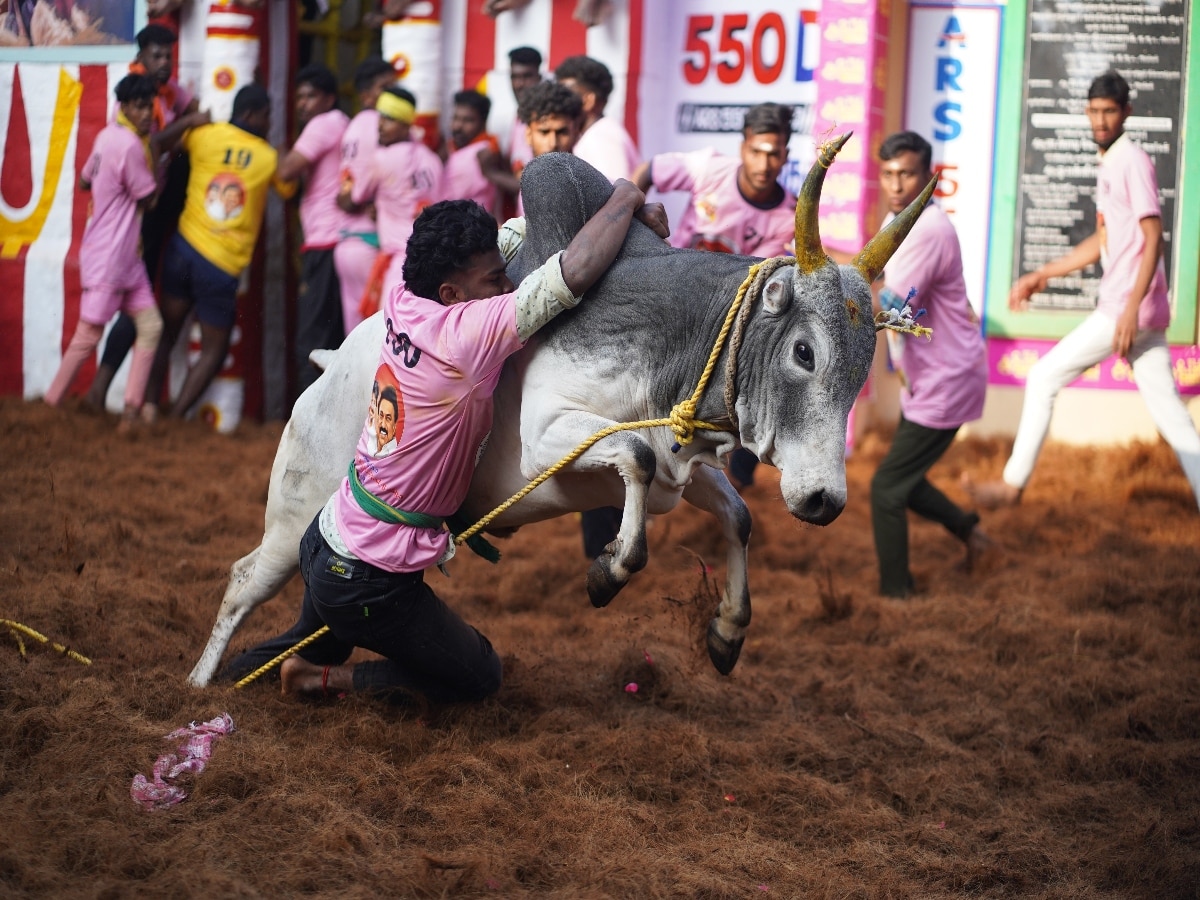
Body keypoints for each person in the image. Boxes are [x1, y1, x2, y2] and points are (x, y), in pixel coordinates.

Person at [220, 185, 669, 704]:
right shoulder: (466, 336)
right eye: (493, 279)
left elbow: (512, 237)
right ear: (453, 294)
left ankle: (246, 675)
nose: (506, 284)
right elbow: (578, 267)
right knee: (480, 677)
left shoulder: (405, 296)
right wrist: (626, 195)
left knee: (307, 639)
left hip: (330, 536)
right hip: (372, 576)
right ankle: (315, 679)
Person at [966, 71, 1200, 511]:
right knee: (1174, 420)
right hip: (1135, 313)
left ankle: (1012, 487)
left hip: (1125, 311)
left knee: (1042, 377)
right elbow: (1104, 241)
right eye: (1093, 110)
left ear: (1126, 112)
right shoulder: (1110, 161)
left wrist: (1131, 310)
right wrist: (1043, 275)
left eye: (1109, 110)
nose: (1100, 118)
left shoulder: (1131, 160)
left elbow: (1154, 237)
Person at [632, 102, 798, 491]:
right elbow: (649, 171)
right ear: (742, 148)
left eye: (774, 154)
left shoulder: (786, 216)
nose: (764, 162)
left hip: (726, 322)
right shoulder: (709, 168)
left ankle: (735, 480)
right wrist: (635, 217)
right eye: (757, 151)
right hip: (672, 298)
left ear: (786, 156)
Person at [867, 131, 992, 598]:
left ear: (929, 180)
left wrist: (835, 274)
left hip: (946, 379)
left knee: (885, 490)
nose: (897, 184)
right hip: (928, 377)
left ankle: (896, 597)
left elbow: (892, 311)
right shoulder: (900, 219)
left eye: (908, 175)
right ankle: (975, 537)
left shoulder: (927, 230)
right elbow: (877, 277)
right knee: (905, 477)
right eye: (889, 174)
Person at [143, 84, 296, 420]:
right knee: (215, 349)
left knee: (167, 332)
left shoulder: (205, 136)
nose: (269, 122)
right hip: (220, 266)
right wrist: (283, 149)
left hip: (184, 249)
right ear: (253, 115)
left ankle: (150, 406)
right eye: (267, 115)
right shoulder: (267, 157)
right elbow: (289, 187)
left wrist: (192, 121)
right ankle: (177, 415)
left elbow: (163, 143)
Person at [85, 23, 198, 413]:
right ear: (141, 58)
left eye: (169, 56)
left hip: (152, 211)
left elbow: (189, 106)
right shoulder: (134, 95)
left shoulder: (166, 92)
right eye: (158, 56)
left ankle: (111, 395)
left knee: (138, 305)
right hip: (134, 218)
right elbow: (149, 141)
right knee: (128, 307)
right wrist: (186, 127)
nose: (165, 63)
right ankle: (104, 392)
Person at [43, 75, 167, 428]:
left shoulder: (106, 135)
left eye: (150, 106)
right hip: (112, 256)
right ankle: (50, 404)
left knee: (151, 325)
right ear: (125, 107)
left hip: (125, 257)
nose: (146, 113)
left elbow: (84, 181)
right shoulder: (129, 144)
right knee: (88, 335)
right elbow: (150, 198)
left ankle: (130, 411)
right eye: (140, 107)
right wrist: (156, 157)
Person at [276, 63, 351, 401]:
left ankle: (306, 419)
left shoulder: (324, 123)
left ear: (329, 99)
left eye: (311, 96)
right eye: (300, 98)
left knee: (312, 337)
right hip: (339, 241)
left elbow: (287, 170)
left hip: (325, 241)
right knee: (333, 334)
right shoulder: (342, 124)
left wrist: (276, 150)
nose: (303, 104)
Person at [337, 85, 442, 319]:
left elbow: (350, 200)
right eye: (381, 117)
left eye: (390, 119)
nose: (380, 125)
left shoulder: (381, 159)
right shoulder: (432, 160)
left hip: (399, 264)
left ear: (406, 125)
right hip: (429, 260)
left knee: (385, 335)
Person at [335, 56, 396, 334]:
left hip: (346, 241)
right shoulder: (376, 124)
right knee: (376, 338)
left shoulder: (353, 126)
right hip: (370, 243)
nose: (392, 94)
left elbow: (347, 195)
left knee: (353, 336)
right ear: (367, 95)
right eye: (386, 88)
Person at [478, 79, 582, 216]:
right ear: (528, 134)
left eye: (562, 132)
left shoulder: (581, 184)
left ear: (575, 131)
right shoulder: (532, 175)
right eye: (544, 132)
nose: (553, 143)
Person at [553, 54, 639, 183]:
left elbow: (620, 197)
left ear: (589, 101)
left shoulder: (601, 139)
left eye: (565, 94)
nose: (559, 101)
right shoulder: (598, 133)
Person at [440, 89, 500, 216]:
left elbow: (446, 198)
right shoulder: (452, 148)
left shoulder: (483, 152)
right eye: (455, 118)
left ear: (483, 123)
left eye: (467, 120)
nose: (457, 126)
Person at [502, 46, 542, 176]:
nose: (519, 84)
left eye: (526, 76)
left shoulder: (546, 120)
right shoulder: (517, 117)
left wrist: (491, 173)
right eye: (514, 77)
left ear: (539, 78)